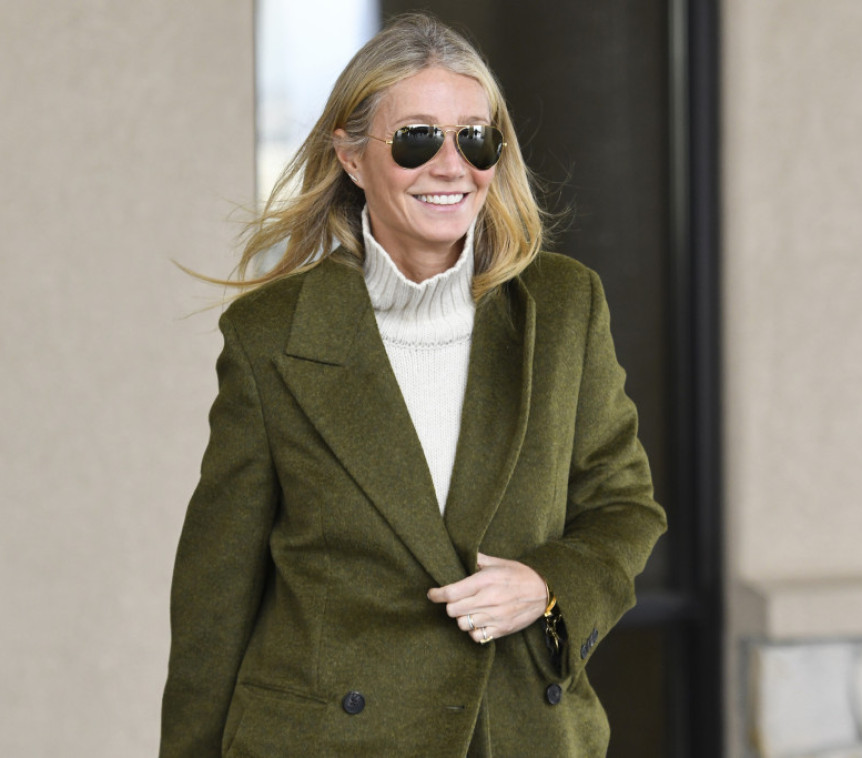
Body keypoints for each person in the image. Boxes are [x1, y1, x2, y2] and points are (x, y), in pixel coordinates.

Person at [159, 12, 666, 758]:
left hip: (516, 735)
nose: (452, 166)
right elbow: (216, 595)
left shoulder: (563, 307)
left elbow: (623, 508)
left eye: (475, 138)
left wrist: (547, 587)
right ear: (351, 156)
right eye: (418, 138)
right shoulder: (271, 335)